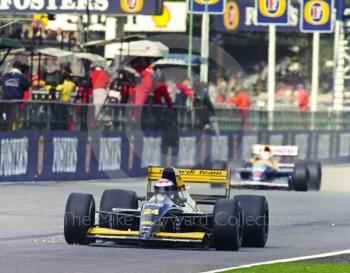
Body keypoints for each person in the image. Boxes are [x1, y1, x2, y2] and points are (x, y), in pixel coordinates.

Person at [1, 62, 30, 130]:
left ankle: (5, 127)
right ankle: (11, 131)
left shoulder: (5, 76)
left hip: (4, 100)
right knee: (13, 117)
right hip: (16, 101)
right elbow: (27, 87)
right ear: (19, 68)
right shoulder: (22, 77)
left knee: (5, 115)